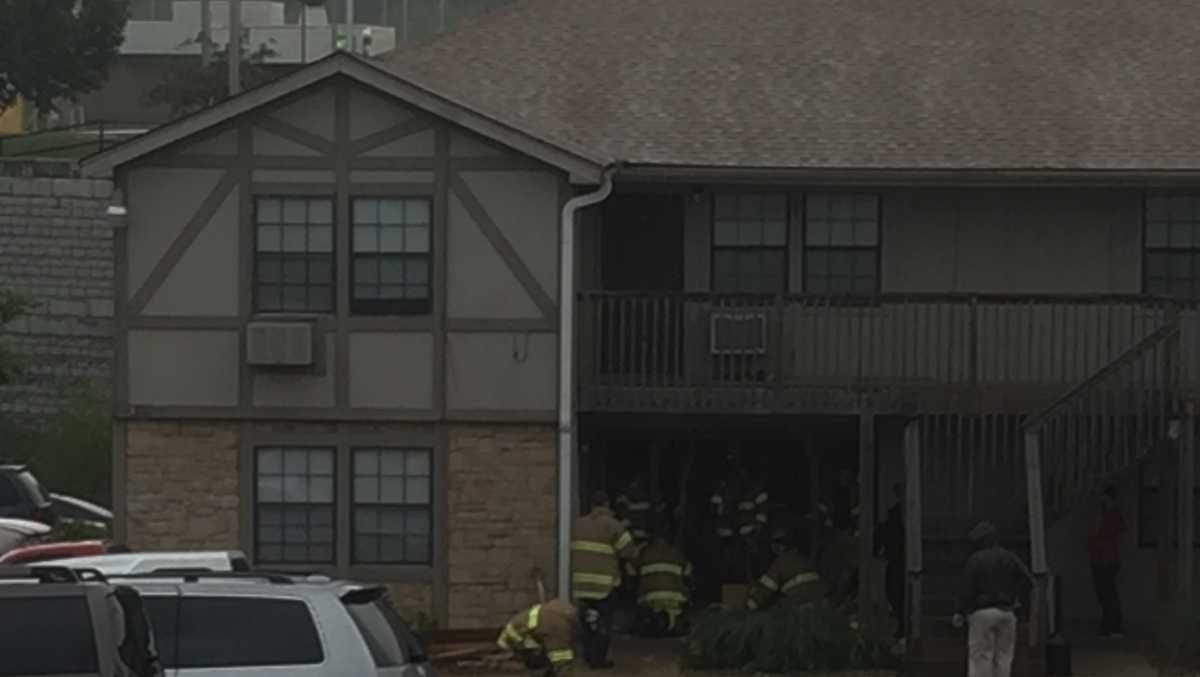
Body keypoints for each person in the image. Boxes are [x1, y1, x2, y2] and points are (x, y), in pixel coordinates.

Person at [952, 521, 1035, 677]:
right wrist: (1017, 598)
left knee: (981, 658)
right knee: (1004, 658)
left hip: (981, 613)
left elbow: (967, 589)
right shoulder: (1010, 557)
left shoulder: (975, 560)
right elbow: (1029, 581)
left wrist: (960, 611)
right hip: (1007, 612)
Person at [571, 491, 637, 669]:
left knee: (585, 621)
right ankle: (598, 660)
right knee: (603, 623)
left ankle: (586, 656)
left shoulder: (577, 525)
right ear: (607, 505)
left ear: (592, 505)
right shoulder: (613, 526)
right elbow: (630, 552)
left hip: (580, 584)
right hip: (604, 585)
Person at [634, 520, 692, 637]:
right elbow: (688, 573)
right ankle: (674, 624)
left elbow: (631, 570)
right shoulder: (677, 553)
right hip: (675, 599)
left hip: (650, 599)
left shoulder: (645, 552)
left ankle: (652, 623)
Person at [746, 526, 826, 610]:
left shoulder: (780, 563)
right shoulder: (803, 559)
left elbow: (765, 589)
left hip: (800, 606)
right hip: (820, 606)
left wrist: (749, 606)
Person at [496, 599, 578, 677]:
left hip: (520, 636)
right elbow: (561, 661)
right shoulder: (558, 628)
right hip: (521, 640)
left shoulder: (560, 613)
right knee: (544, 664)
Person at [1088, 484, 1126, 638]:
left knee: (1107, 594)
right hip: (1099, 559)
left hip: (1107, 560)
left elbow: (1104, 533)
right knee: (1103, 593)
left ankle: (1113, 626)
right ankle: (1109, 625)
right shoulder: (1104, 514)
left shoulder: (1113, 515)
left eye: (1103, 496)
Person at [876, 482, 906, 642]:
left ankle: (903, 624)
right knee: (893, 591)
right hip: (896, 558)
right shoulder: (894, 513)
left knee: (897, 592)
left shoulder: (910, 513)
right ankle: (901, 623)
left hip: (902, 558)